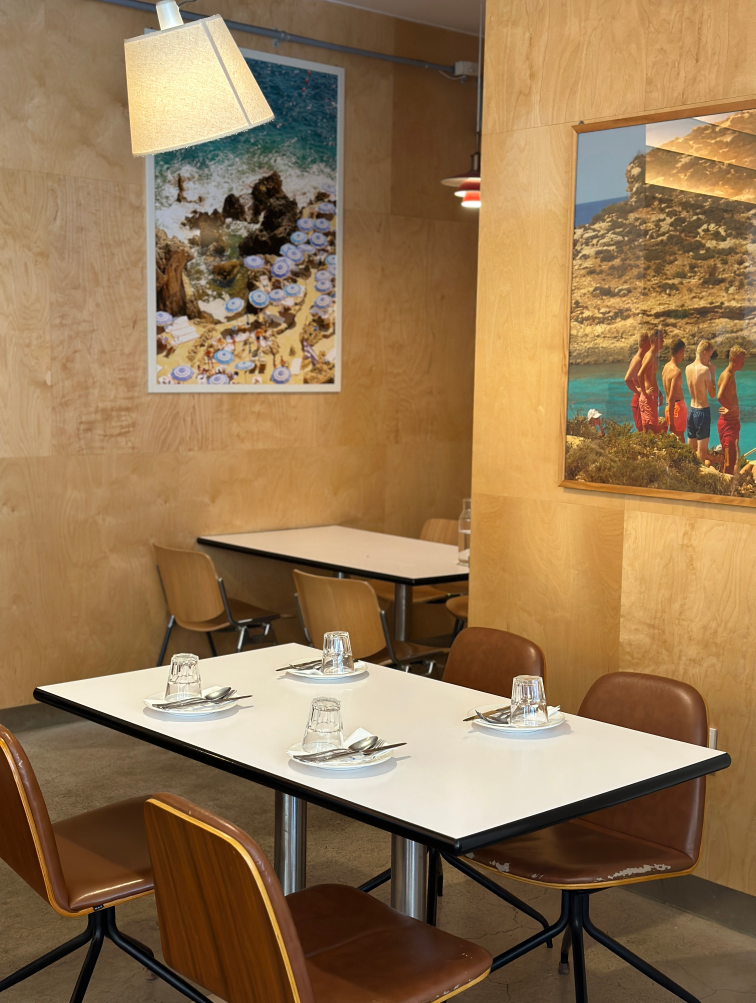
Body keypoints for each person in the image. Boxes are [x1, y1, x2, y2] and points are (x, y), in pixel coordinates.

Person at [685, 339, 717, 461]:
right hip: (702, 411)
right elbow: (712, 394)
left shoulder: (687, 368)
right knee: (701, 452)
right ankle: (700, 473)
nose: (709, 359)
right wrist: (713, 373)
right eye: (709, 356)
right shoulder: (705, 370)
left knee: (690, 449)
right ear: (704, 353)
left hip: (691, 410)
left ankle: (690, 470)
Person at [717, 345, 746, 474]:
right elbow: (719, 396)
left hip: (732, 423)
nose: (743, 363)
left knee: (730, 461)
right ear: (734, 359)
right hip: (728, 424)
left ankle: (725, 482)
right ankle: (725, 485)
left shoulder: (730, 374)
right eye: (741, 360)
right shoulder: (727, 375)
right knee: (730, 462)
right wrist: (730, 408)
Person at [638, 328, 664, 433]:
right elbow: (640, 374)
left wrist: (659, 393)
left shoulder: (652, 355)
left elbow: (651, 377)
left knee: (649, 432)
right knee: (654, 431)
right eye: (662, 339)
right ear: (656, 339)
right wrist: (644, 392)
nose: (663, 341)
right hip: (648, 397)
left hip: (651, 396)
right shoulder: (650, 356)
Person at [625, 332, 651, 431]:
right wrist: (638, 391)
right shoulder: (637, 359)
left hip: (642, 399)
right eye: (649, 342)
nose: (651, 345)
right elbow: (627, 379)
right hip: (638, 400)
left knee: (647, 429)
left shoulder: (642, 359)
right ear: (643, 343)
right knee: (642, 430)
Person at [662, 339, 687, 443]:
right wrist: (672, 423)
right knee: (680, 440)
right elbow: (672, 397)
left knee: (674, 440)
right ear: (680, 351)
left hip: (668, 408)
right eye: (683, 352)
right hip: (676, 409)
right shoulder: (676, 371)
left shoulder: (665, 367)